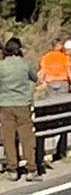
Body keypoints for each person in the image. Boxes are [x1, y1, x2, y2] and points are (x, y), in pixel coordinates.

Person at [0, 37, 41, 181]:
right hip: (23, 104)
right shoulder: (25, 64)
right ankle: (31, 168)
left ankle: (12, 169)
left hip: (5, 105)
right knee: (27, 138)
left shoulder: (1, 66)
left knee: (8, 138)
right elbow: (35, 78)